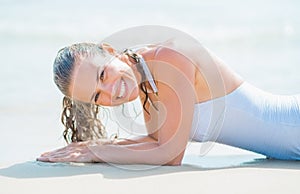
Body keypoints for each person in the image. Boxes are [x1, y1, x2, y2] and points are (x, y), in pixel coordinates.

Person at [37, 37, 300, 165]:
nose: (110, 92)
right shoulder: (145, 79)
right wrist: (98, 145)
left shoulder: (168, 59)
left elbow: (171, 153)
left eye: (103, 74)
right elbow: (157, 142)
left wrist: (95, 153)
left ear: (109, 52)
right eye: (97, 96)